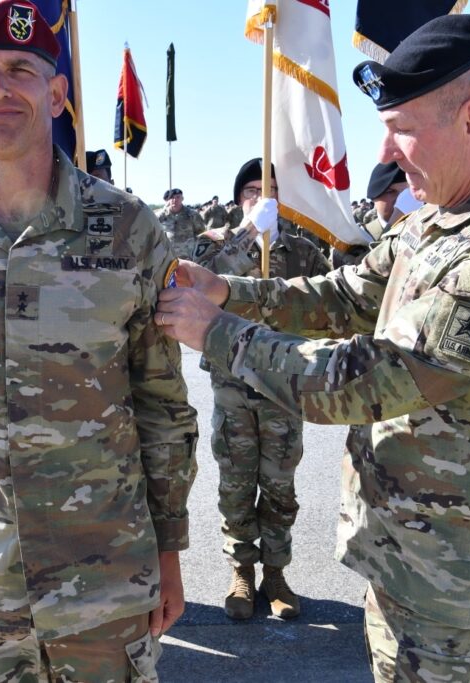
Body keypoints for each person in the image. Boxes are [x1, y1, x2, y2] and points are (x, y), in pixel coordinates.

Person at [157, 14, 470, 681]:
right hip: (407, 559)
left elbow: (366, 383)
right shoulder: (440, 222)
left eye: (402, 127)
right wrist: (228, 290)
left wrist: (216, 332)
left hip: (466, 589)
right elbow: (347, 294)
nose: (385, 152)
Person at [0, 2, 198, 679]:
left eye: (21, 69)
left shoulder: (128, 228)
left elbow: (162, 402)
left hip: (105, 579)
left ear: (56, 94)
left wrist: (168, 551)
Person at [192, 158, 330, 621]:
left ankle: (276, 573)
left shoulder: (302, 251)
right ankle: (241, 572)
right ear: (238, 199)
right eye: (252, 190)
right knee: (235, 483)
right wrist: (248, 233)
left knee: (279, 486)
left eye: (270, 190)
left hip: (283, 387)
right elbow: (198, 281)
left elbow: (328, 301)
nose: (260, 197)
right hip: (232, 383)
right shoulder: (214, 243)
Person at [332, 161, 410, 269]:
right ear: (374, 197)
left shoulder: (427, 230)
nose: (401, 199)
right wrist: (391, 227)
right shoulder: (355, 242)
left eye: (408, 192)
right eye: (391, 191)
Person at [158, 187, 205, 258]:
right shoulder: (161, 216)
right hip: (168, 256)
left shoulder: (192, 215)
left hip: (188, 255)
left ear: (182, 199)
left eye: (178, 197)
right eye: (172, 198)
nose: (174, 200)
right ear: (168, 200)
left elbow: (201, 233)